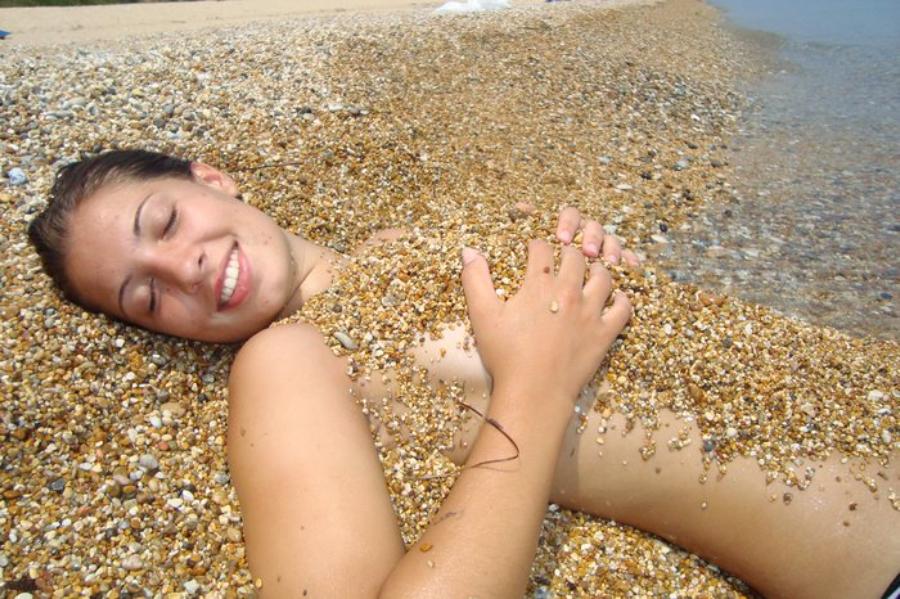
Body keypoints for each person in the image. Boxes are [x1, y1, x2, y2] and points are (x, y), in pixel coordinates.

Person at [28, 150, 898, 599]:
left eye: (166, 220)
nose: (184, 270)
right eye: (146, 297)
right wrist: (536, 388)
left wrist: (618, 266)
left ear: (212, 178)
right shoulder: (290, 359)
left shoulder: (427, 235)